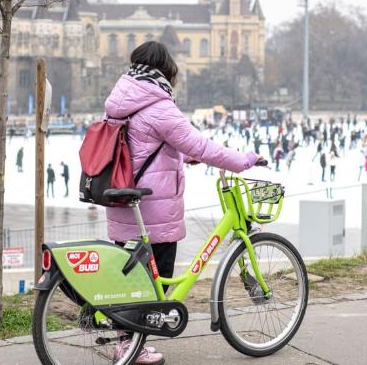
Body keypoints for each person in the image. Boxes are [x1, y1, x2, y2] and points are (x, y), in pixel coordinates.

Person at [104, 41, 260, 364]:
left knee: (130, 279)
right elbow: (202, 145)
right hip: (154, 209)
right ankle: (133, 347)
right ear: (166, 70)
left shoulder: (122, 97)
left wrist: (181, 155)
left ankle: (125, 341)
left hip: (122, 200)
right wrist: (242, 160)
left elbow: (143, 145)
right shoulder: (159, 105)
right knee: (151, 283)